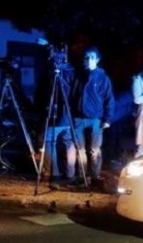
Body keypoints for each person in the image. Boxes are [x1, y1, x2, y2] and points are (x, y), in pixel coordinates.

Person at [59, 45, 114, 190]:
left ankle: (94, 177)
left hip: (96, 118)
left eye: (92, 58)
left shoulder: (103, 78)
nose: (89, 60)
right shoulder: (77, 76)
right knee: (80, 149)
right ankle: (82, 176)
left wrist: (107, 119)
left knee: (94, 149)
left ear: (97, 60)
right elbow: (70, 93)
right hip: (78, 118)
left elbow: (109, 99)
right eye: (87, 58)